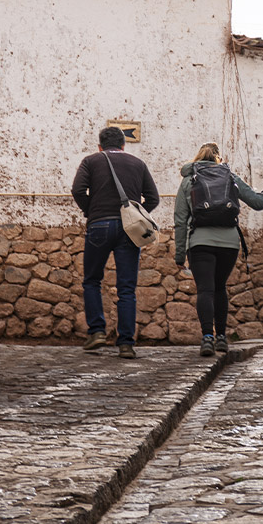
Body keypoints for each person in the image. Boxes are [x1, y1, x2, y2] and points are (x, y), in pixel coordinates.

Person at [174, 143, 263, 356]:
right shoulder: (230, 177)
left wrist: (180, 254)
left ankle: (207, 338)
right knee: (219, 287)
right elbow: (258, 202)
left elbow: (180, 220)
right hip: (229, 243)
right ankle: (222, 338)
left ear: (197, 158)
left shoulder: (189, 180)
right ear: (218, 159)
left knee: (205, 289)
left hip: (200, 242)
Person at [71, 126, 159, 359]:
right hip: (129, 230)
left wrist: (92, 210)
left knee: (92, 280)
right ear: (123, 145)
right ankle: (126, 343)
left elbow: (78, 189)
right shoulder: (138, 164)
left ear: (100, 146)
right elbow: (153, 198)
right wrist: (137, 215)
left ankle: (97, 331)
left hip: (99, 225)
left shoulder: (91, 161)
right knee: (126, 287)